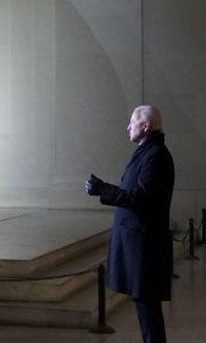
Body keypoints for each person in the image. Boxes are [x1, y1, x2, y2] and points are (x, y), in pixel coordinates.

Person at [85, 105, 176, 343]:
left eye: (132, 123)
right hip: (140, 244)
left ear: (146, 126)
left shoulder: (155, 155)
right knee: (146, 310)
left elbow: (140, 197)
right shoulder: (148, 151)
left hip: (145, 246)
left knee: (149, 313)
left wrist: (102, 189)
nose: (128, 127)